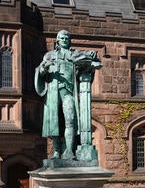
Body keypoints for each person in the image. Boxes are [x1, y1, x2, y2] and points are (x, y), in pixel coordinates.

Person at [35, 30, 100, 160]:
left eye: (67, 38)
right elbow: (40, 71)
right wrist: (44, 69)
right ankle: (56, 152)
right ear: (58, 40)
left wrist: (92, 54)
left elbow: (89, 56)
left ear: (69, 40)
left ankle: (69, 151)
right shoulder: (49, 55)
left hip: (68, 93)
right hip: (53, 92)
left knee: (70, 120)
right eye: (62, 38)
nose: (64, 39)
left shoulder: (74, 54)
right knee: (55, 123)